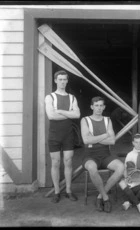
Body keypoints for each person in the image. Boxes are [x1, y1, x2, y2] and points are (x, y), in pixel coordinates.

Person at [81, 96, 124, 213]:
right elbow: (86, 140)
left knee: (121, 167)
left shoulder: (107, 120)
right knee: (91, 168)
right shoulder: (85, 120)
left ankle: (100, 196)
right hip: (90, 155)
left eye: (101, 106)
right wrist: (105, 135)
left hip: (105, 154)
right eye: (96, 105)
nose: (99, 108)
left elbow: (112, 141)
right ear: (91, 107)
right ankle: (105, 198)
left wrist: (94, 138)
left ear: (104, 107)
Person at [45, 70, 80, 203]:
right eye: (60, 79)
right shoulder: (50, 97)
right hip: (54, 135)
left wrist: (60, 111)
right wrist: (68, 113)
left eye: (65, 79)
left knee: (68, 161)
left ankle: (69, 190)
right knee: (55, 162)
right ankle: (57, 191)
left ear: (67, 80)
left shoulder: (72, 98)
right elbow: (51, 116)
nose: (62, 82)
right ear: (55, 80)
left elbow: (77, 115)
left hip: (68, 134)